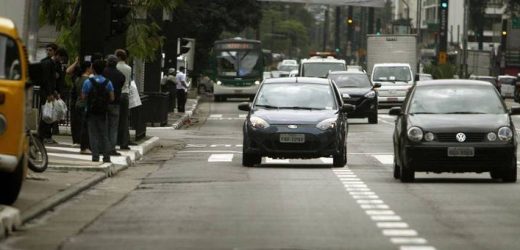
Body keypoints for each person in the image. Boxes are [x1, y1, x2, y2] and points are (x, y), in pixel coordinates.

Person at [81, 59, 115, 162]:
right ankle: (106, 156)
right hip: (103, 112)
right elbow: (112, 98)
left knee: (93, 135)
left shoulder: (88, 82)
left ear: (93, 69)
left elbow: (83, 97)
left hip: (91, 111)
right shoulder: (108, 82)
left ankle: (95, 156)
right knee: (104, 134)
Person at [103, 55, 125, 156]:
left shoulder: (103, 72)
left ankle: (104, 147)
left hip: (103, 102)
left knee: (104, 126)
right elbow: (121, 85)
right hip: (115, 103)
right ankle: (112, 148)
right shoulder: (120, 75)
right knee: (113, 127)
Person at [38, 43, 57, 144]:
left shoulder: (48, 62)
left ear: (54, 51)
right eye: (48, 50)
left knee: (47, 113)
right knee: (46, 113)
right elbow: (47, 79)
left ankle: (45, 135)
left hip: (47, 91)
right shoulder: (47, 62)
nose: (49, 52)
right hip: (46, 92)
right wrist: (50, 93)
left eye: (50, 50)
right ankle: (42, 135)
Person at [71, 60, 91, 154]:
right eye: (91, 67)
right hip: (84, 104)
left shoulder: (77, 79)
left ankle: (80, 143)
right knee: (85, 127)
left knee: (80, 126)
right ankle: (84, 147)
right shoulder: (87, 80)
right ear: (87, 68)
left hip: (78, 103)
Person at [115, 49, 131, 149]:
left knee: (114, 118)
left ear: (119, 57)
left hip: (116, 93)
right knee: (124, 119)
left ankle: (115, 140)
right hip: (125, 93)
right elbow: (128, 82)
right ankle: (124, 142)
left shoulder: (116, 67)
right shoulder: (128, 68)